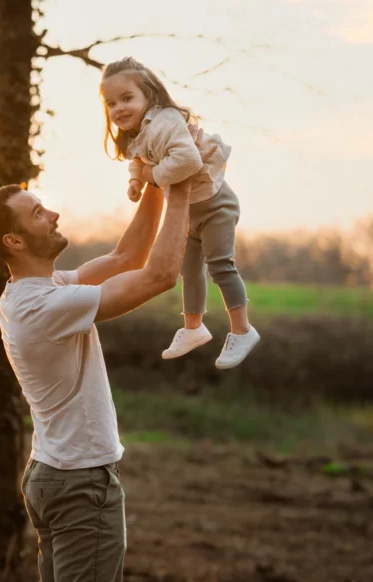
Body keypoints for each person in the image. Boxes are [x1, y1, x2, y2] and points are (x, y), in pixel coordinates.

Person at [0, 170, 191, 582]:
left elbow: (124, 259)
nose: (53, 215)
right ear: (14, 239)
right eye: (38, 213)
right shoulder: (44, 306)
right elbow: (158, 276)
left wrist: (157, 182)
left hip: (54, 475)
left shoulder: (37, 290)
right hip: (79, 486)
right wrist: (183, 186)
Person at [102, 56, 260, 369]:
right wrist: (136, 178)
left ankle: (243, 330)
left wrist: (150, 177)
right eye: (111, 103)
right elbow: (138, 158)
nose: (118, 108)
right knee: (188, 268)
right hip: (189, 210)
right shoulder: (138, 131)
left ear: (149, 95)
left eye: (127, 98)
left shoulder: (165, 122)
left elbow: (189, 162)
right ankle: (193, 328)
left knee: (220, 265)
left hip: (216, 205)